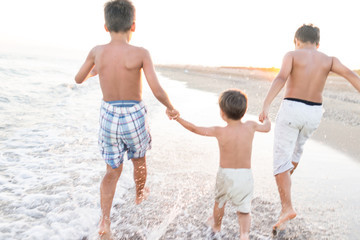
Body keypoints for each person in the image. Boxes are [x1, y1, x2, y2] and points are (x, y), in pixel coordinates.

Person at [74, 0, 179, 238]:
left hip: (109, 115)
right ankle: (140, 193)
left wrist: (98, 69)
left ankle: (105, 221)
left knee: (112, 170)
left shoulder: (97, 51)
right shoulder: (141, 53)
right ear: (133, 26)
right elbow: (156, 89)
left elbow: (78, 78)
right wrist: (171, 107)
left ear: (105, 26)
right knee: (139, 159)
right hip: (133, 114)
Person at [258, 24, 360, 234]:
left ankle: (287, 207)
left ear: (296, 41)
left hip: (292, 109)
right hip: (314, 114)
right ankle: (285, 200)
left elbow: (280, 77)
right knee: (295, 153)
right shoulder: (329, 60)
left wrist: (266, 105)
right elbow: (351, 76)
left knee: (280, 162)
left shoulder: (292, 55)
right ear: (318, 43)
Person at [175, 89, 271, 240]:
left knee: (220, 202)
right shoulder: (251, 126)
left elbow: (195, 128)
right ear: (244, 111)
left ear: (222, 113)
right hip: (245, 176)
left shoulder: (219, 131)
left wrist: (177, 118)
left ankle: (217, 227)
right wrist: (266, 118)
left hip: (225, 175)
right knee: (244, 210)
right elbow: (266, 128)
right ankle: (244, 234)